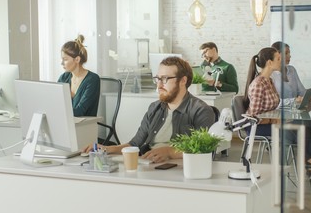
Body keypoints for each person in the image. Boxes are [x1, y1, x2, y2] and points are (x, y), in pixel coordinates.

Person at [83, 56, 215, 163]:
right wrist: (107, 149)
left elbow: (202, 150)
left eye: (165, 79)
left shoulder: (201, 110)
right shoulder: (155, 108)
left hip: (181, 169)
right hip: (149, 164)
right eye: (158, 78)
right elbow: (135, 144)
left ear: (183, 81)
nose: (159, 84)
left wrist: (169, 152)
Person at [244, 47, 311, 192]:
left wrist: (294, 102)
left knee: (304, 126)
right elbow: (254, 117)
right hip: (258, 127)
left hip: (272, 123)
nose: (282, 61)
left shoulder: (269, 81)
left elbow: (276, 104)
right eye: (278, 58)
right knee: (299, 131)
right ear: (270, 63)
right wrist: (275, 121)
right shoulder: (258, 84)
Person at [270, 42, 311, 159]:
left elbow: (302, 92)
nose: (289, 56)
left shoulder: (291, 70)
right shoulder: (272, 76)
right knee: (307, 123)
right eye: (286, 53)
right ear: (277, 55)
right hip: (281, 117)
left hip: (295, 112)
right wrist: (295, 100)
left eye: (289, 53)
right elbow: (275, 102)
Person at [58, 34, 100, 117]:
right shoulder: (64, 77)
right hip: (66, 122)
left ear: (77, 59)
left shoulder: (92, 80)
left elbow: (80, 111)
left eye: (65, 59)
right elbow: (55, 102)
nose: (62, 63)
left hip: (83, 126)